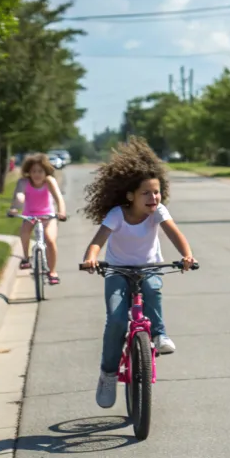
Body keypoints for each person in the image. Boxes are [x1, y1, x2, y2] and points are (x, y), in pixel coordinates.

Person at [81, 137, 195, 409]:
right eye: (146, 193)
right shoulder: (117, 215)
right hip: (117, 271)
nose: (153, 198)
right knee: (117, 320)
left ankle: (159, 334)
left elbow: (175, 234)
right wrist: (90, 258)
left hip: (148, 268)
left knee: (153, 289)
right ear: (130, 195)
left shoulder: (159, 212)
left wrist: (186, 255)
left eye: (156, 192)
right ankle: (108, 374)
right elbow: (98, 241)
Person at [9, 153, 67, 285]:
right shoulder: (23, 182)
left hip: (48, 216)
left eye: (40, 171)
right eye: (33, 171)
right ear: (28, 171)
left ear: (45, 171)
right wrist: (16, 206)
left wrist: (61, 212)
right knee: (24, 232)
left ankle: (52, 272)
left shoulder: (49, 181)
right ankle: (26, 258)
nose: (37, 174)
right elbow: (19, 195)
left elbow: (59, 198)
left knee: (50, 240)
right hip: (30, 215)